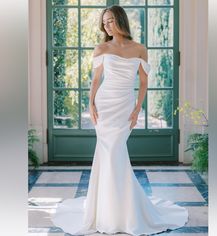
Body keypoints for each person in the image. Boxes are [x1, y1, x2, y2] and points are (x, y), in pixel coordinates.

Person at [51, 5, 188, 236]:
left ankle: (121, 209)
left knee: (115, 152)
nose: (107, 25)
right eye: (104, 22)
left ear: (121, 20)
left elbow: (143, 83)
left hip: (124, 106)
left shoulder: (140, 49)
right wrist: (91, 103)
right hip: (105, 105)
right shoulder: (102, 48)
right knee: (109, 153)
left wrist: (137, 109)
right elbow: (96, 79)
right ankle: (107, 211)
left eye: (111, 20)